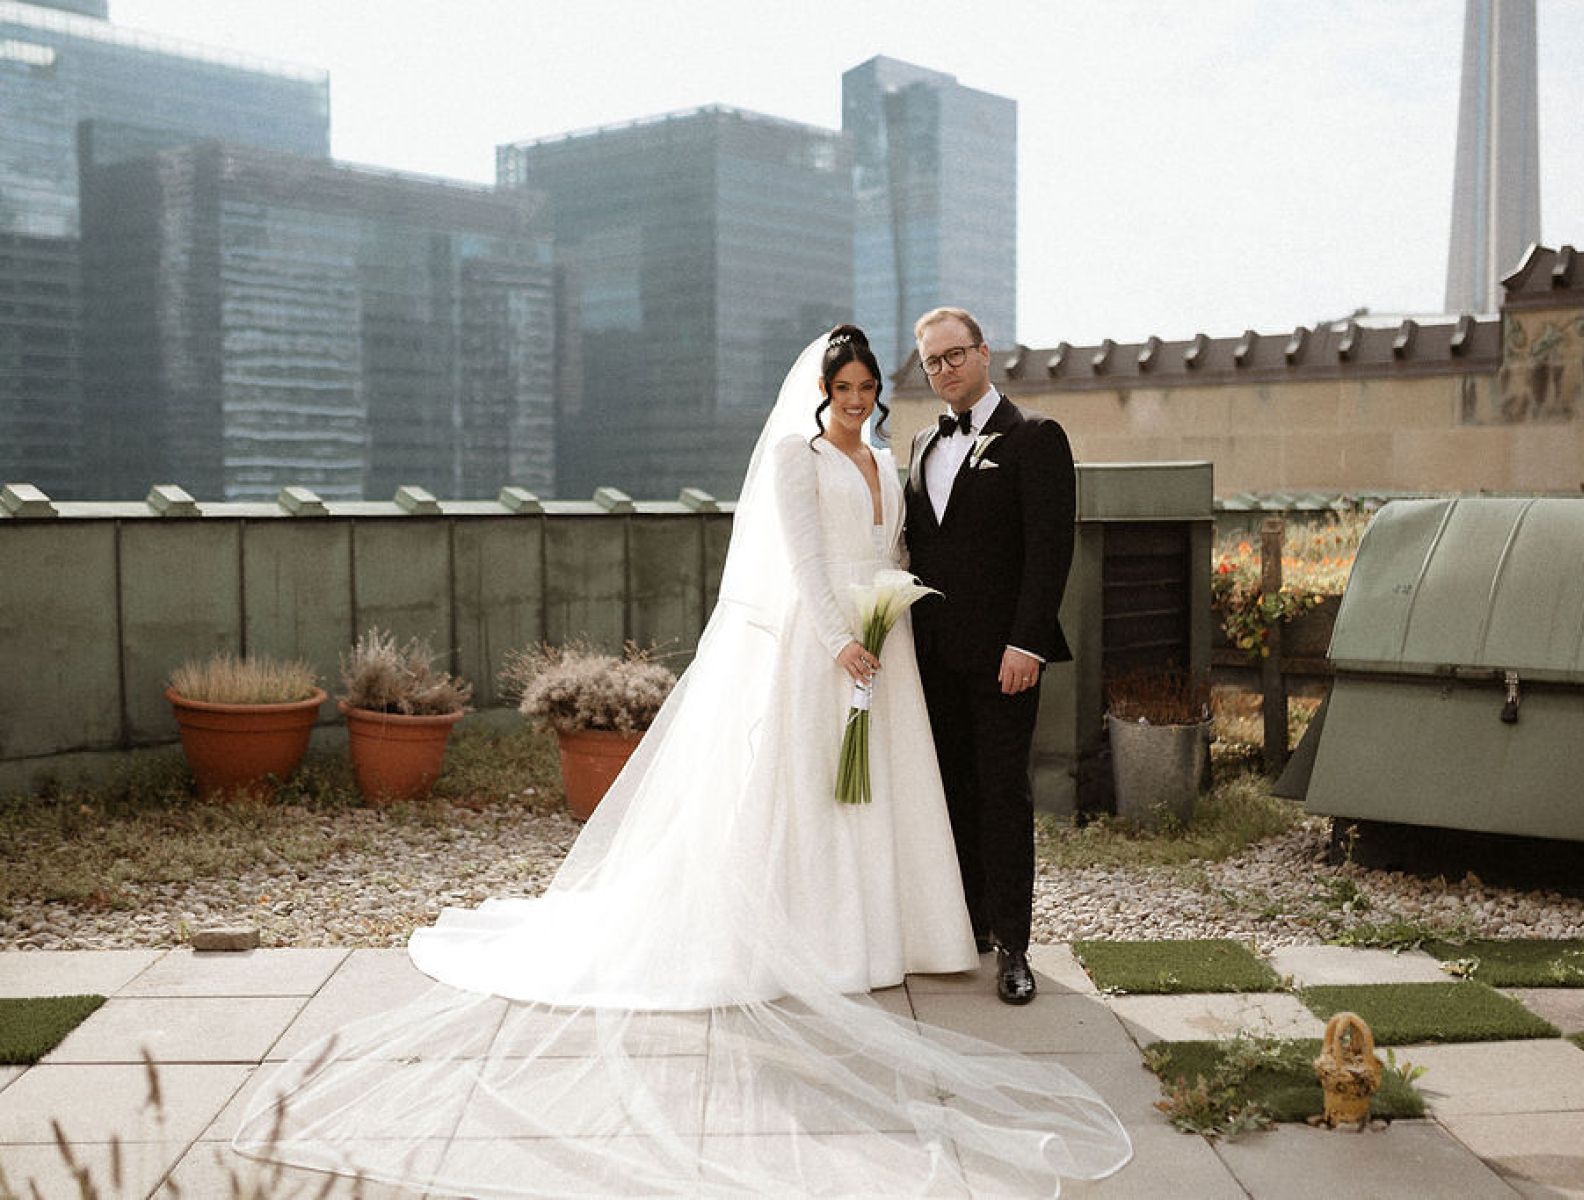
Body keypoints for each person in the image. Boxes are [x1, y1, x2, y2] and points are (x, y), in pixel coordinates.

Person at [234, 326, 1129, 1198]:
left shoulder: (936, 452)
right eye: (846, 388)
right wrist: (835, 640)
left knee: (925, 797)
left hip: (899, 654)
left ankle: (958, 934)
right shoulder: (800, 457)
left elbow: (924, 549)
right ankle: (825, 932)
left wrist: (923, 631)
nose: (859, 399)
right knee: (816, 793)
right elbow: (809, 561)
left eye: (872, 387)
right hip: (834, 654)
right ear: (822, 392)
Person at [903, 307, 1077, 1006]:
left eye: (955, 356)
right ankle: (966, 926)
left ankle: (1014, 946)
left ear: (983, 354)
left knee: (1003, 795)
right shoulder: (918, 444)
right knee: (950, 792)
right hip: (934, 656)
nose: (945, 370)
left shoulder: (1035, 438)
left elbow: (1050, 550)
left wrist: (1027, 642)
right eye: (932, 363)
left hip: (1007, 657)